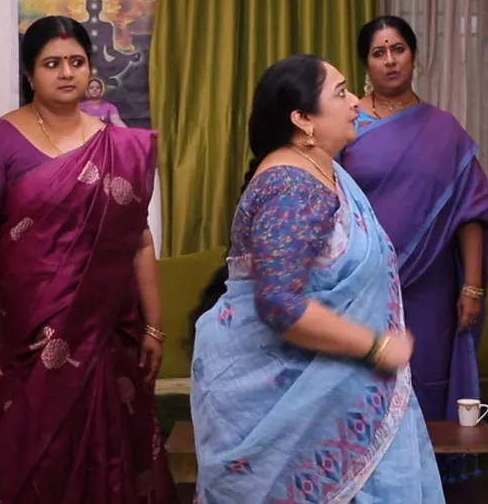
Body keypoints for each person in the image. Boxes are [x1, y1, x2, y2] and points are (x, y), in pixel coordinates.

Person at [189, 54, 445, 504]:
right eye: (341, 93)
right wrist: (376, 346)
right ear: (303, 119)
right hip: (288, 402)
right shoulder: (292, 186)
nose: (356, 102)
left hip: (333, 393)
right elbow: (279, 304)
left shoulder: (322, 171)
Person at [0, 16, 178, 503]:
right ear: (30, 74)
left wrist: (154, 327)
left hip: (110, 332)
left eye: (76, 61)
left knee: (116, 453)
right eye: (52, 64)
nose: (67, 73)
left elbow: (139, 241)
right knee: (39, 458)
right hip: (29, 338)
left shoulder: (118, 144)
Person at [339, 15, 488, 482]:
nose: (390, 61)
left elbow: (470, 213)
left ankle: (426, 483)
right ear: (366, 63)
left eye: (399, 49)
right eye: (378, 52)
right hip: (362, 289)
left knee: (425, 381)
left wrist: (472, 288)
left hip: (430, 289)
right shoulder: (346, 126)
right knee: (365, 387)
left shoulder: (443, 130)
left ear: (414, 56)